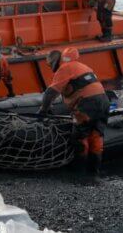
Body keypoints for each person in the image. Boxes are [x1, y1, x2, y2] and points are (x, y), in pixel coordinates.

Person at [38, 47, 109, 175]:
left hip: (87, 105)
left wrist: (43, 110)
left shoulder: (65, 68)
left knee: (79, 137)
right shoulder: (84, 67)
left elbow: (51, 92)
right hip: (103, 102)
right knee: (96, 136)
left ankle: (79, 173)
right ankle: (94, 172)